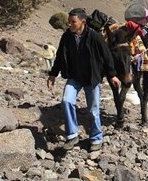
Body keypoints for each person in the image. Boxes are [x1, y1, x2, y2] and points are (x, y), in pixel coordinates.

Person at [46, 8, 120, 151]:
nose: (70, 25)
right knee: (66, 101)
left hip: (91, 78)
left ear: (83, 22)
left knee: (93, 110)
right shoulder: (67, 37)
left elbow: (106, 57)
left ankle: (96, 138)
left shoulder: (94, 37)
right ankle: (72, 135)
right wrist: (53, 74)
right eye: (69, 22)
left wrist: (112, 75)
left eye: (73, 22)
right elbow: (60, 56)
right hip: (74, 77)